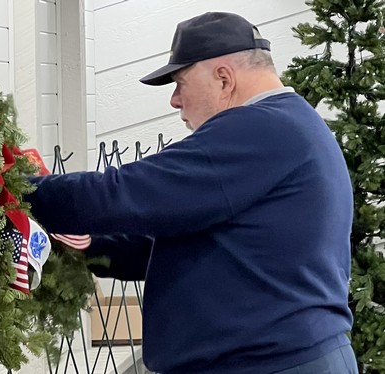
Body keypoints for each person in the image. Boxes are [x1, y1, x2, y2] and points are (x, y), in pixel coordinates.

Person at [24, 11, 358, 374]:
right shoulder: (289, 125)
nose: (175, 100)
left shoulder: (258, 128)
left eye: (181, 82)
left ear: (224, 78)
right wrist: (95, 243)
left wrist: (20, 193)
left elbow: (126, 191)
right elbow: (188, 240)